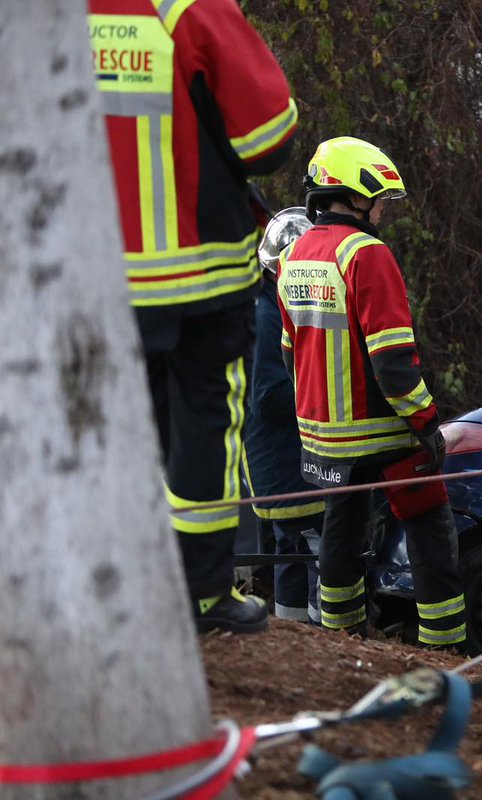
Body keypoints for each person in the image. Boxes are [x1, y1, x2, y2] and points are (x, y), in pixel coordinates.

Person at [88, 0, 298, 632]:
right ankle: (203, 593)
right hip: (203, 276)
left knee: (113, 430)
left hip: (92, 273)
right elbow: (269, 138)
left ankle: (116, 582)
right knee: (208, 421)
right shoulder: (185, 8)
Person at [276, 137, 465, 644]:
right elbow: (394, 362)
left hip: (321, 434)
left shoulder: (293, 255)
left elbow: (289, 347)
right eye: (379, 198)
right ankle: (443, 647)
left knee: (342, 524)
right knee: (430, 527)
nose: (383, 210)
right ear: (355, 194)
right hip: (382, 429)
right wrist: (427, 425)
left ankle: (340, 639)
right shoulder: (367, 253)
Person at [244, 208, 325, 624]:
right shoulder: (265, 314)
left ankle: (300, 637)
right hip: (283, 464)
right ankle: (322, 644)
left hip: (287, 462)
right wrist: (321, 386)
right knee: (312, 551)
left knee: (292, 555)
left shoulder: (278, 304)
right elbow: (267, 397)